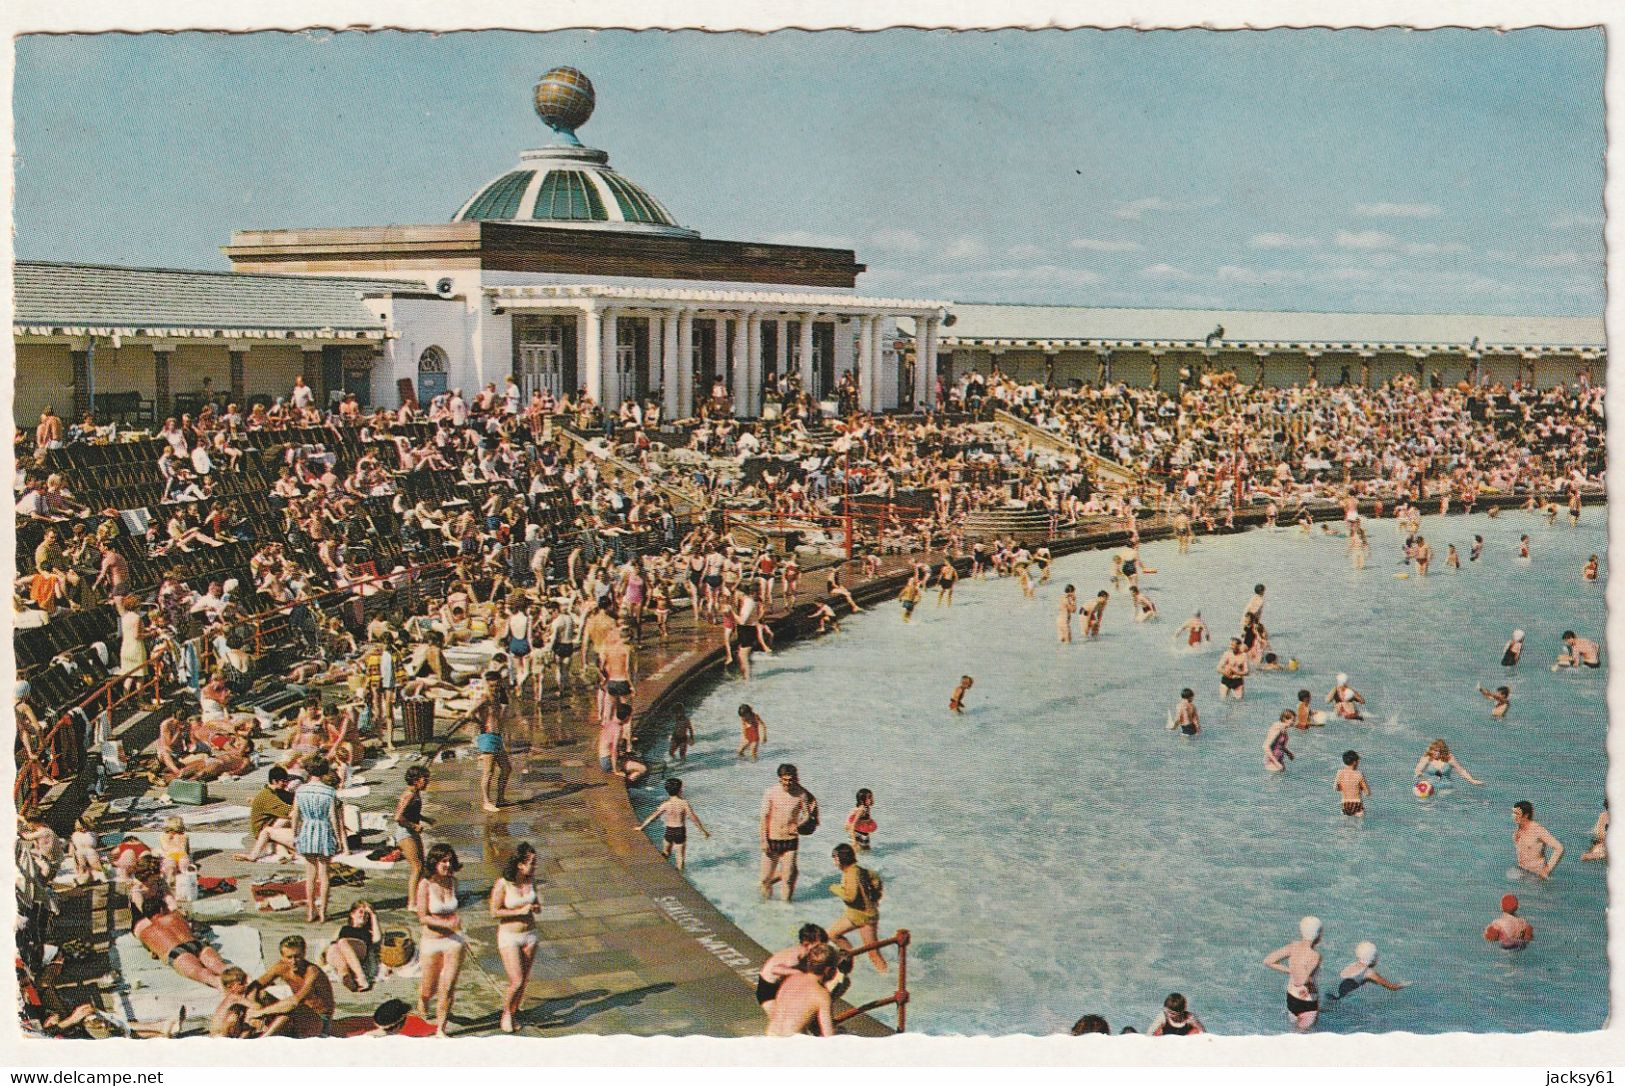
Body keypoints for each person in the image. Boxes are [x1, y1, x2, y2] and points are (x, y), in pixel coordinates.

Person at [127, 854, 230, 989]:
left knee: (186, 944)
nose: (159, 877)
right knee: (184, 947)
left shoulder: (159, 882)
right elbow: (144, 913)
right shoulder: (137, 890)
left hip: (161, 915)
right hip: (144, 920)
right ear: (146, 876)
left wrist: (176, 911)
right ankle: (218, 979)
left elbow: (169, 899)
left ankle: (225, 975)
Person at [488, 843, 541, 1034]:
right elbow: (494, 912)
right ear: (520, 864)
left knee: (525, 979)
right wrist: (520, 911)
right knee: (516, 980)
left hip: (530, 934)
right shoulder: (503, 883)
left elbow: (536, 904)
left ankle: (514, 1009)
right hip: (509, 936)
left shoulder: (531, 880)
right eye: (532, 863)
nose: (535, 866)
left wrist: (535, 908)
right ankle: (506, 1014)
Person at [415, 843, 466, 1036]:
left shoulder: (454, 882)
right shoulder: (425, 885)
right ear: (434, 862)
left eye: (450, 860)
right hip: (432, 941)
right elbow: (422, 917)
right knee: (429, 988)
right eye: (444, 861)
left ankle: (440, 1029)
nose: (448, 865)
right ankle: (423, 1000)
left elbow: (452, 911)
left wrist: (453, 924)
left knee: (448, 985)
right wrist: (446, 924)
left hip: (454, 941)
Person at [246, 935, 335, 1038]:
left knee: (291, 1010)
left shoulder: (312, 972)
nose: (293, 961)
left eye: (297, 956)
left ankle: (261, 1040)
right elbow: (254, 987)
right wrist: (253, 1006)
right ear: (282, 957)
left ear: (304, 954)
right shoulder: (280, 967)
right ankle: (255, 1030)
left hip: (320, 1019)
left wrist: (260, 1013)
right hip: (298, 1015)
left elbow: (294, 1002)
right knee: (262, 995)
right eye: (289, 957)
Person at [291, 756, 344, 924]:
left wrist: (294, 835)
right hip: (323, 830)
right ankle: (323, 912)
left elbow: (295, 815)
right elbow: (333, 818)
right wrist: (338, 838)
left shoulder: (300, 790)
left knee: (310, 875)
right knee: (324, 875)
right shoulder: (329, 791)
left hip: (307, 830)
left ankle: (310, 910)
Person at [760, 764, 816, 902]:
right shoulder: (771, 792)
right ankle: (765, 906)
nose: (787, 783)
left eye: (790, 780)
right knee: (765, 880)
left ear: (795, 779)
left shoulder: (801, 794)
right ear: (780, 779)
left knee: (789, 878)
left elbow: (807, 815)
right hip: (772, 839)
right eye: (784, 780)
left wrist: (798, 826)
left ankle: (786, 908)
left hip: (790, 840)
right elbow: (764, 817)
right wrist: (763, 840)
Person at [828, 843, 886, 973]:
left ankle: (850, 957)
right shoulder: (859, 869)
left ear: (842, 859)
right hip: (870, 914)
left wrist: (835, 888)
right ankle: (886, 975)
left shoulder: (850, 873)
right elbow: (876, 880)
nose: (834, 861)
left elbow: (851, 897)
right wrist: (875, 898)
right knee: (873, 953)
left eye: (835, 858)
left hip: (857, 916)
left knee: (832, 935)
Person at [764, 943, 839, 1037]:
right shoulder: (822, 995)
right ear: (828, 970)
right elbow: (828, 1037)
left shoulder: (791, 979)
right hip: (791, 1044)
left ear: (808, 962)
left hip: (770, 1036)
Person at [1264, 916, 1323, 1031]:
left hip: (1291, 999)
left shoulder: (1292, 946)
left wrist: (1290, 970)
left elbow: (1267, 961)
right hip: (1306, 1002)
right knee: (1303, 1036)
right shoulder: (1314, 955)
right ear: (1317, 935)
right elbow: (1303, 980)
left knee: (1293, 1032)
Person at [756, 923, 830, 1014]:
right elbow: (775, 969)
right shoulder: (795, 958)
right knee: (779, 1021)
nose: (821, 950)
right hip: (767, 991)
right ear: (806, 944)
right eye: (818, 947)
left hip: (780, 987)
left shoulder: (807, 954)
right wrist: (797, 972)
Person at [640, 777, 711, 871]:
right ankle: (680, 876)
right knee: (680, 858)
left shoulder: (665, 804)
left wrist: (641, 827)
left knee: (666, 853)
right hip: (680, 831)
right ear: (680, 790)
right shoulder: (684, 803)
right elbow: (693, 818)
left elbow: (653, 816)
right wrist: (703, 831)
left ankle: (660, 870)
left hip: (669, 831)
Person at [393, 767, 433, 907]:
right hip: (405, 833)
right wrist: (414, 826)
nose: (428, 781)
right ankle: (411, 903)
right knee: (416, 867)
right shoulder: (409, 795)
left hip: (411, 831)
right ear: (416, 781)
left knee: (422, 865)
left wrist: (426, 819)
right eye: (425, 779)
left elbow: (412, 812)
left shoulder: (416, 793)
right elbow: (398, 817)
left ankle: (420, 897)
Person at [324, 900, 381, 993]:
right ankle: (346, 977)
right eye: (361, 912)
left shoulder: (367, 931)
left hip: (359, 949)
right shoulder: (343, 928)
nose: (364, 915)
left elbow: (377, 940)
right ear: (352, 914)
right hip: (341, 953)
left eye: (367, 914)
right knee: (335, 947)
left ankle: (361, 978)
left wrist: (373, 915)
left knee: (342, 942)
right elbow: (332, 942)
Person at [1324, 941, 1408, 1002]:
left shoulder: (1353, 965)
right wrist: (1406, 984)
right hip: (1337, 999)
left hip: (1329, 992)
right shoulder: (1369, 972)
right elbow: (1393, 987)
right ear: (1374, 958)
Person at [1512, 800, 1564, 879]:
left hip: (1536, 876)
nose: (1513, 816)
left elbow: (1559, 848)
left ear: (1525, 815)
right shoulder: (1518, 830)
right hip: (1522, 873)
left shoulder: (1537, 830)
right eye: (1513, 813)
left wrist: (1547, 870)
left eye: (1516, 813)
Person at [475, 710, 510, 814]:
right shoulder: (484, 698)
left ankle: (500, 799)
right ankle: (486, 802)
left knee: (506, 768)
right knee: (488, 772)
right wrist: (481, 725)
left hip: (497, 737)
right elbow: (470, 714)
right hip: (487, 737)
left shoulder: (495, 698)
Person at [1414, 739, 1484, 787]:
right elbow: (1418, 770)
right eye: (1432, 750)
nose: (1433, 752)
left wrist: (1472, 780)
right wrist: (1421, 777)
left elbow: (1461, 771)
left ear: (1442, 751)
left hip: (1446, 785)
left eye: (1436, 751)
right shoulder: (1427, 757)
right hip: (1429, 784)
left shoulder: (1449, 759)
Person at [1335, 750, 1370, 818]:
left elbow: (1336, 788)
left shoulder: (1339, 773)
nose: (1358, 762)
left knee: (1345, 827)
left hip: (1345, 804)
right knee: (1359, 827)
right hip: (1357, 804)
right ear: (1354, 762)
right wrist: (1360, 787)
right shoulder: (1359, 774)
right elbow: (1367, 793)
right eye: (1358, 761)